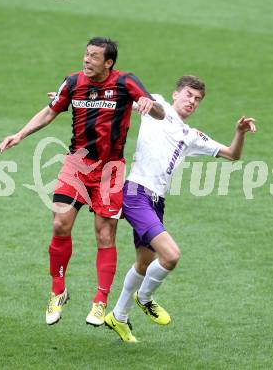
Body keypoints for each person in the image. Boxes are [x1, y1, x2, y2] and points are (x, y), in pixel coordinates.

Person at [0, 37, 165, 327]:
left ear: (108, 62)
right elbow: (51, 110)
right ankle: (58, 292)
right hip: (76, 164)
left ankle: (100, 302)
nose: (87, 60)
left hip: (110, 170)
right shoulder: (73, 83)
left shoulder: (125, 82)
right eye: (86, 55)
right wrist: (20, 134)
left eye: (94, 57)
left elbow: (160, 114)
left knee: (104, 235)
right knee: (60, 223)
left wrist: (152, 105)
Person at [104, 75, 257, 342]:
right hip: (135, 193)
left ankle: (118, 316)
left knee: (143, 263)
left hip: (156, 201)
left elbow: (233, 155)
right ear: (175, 94)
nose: (192, 101)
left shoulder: (192, 135)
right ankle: (145, 297)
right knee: (171, 256)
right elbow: (124, 95)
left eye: (197, 99)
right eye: (188, 95)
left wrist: (239, 133)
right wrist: (79, 98)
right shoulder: (159, 106)